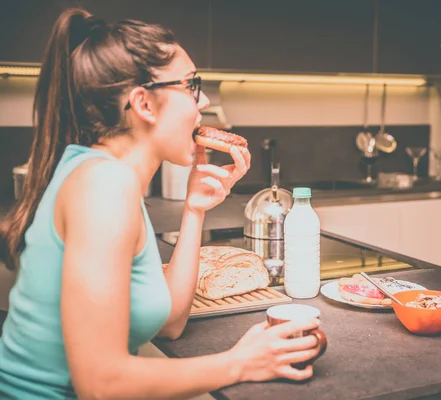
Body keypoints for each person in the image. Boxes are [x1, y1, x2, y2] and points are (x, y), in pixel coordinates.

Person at [0, 8, 321, 399]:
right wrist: (241, 362)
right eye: (190, 85)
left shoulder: (112, 178)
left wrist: (194, 210)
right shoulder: (104, 183)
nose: (202, 101)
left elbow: (169, 322)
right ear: (145, 105)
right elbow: (100, 384)